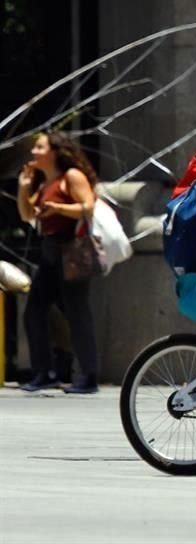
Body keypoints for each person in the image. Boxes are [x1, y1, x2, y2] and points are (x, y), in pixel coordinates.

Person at [16, 132, 101, 394]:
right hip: (50, 252)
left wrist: (58, 208)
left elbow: (88, 207)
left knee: (77, 312)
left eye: (40, 147)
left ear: (55, 151)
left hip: (72, 250)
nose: (34, 152)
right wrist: (24, 186)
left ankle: (88, 375)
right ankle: (45, 372)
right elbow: (26, 214)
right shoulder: (45, 183)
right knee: (34, 310)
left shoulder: (72, 176)